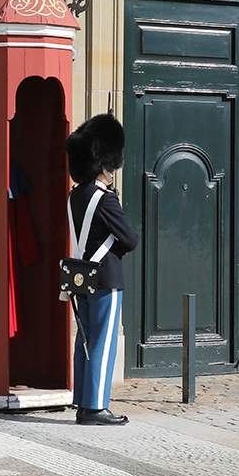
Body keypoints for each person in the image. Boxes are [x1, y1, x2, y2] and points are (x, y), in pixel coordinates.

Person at [66, 114, 138, 425]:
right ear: (105, 165)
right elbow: (130, 239)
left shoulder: (75, 196)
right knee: (103, 341)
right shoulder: (105, 200)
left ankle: (83, 400)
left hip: (81, 276)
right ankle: (95, 407)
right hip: (106, 278)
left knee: (84, 340)